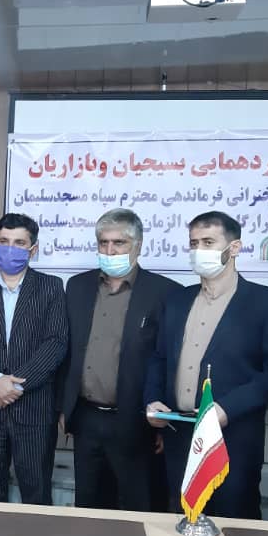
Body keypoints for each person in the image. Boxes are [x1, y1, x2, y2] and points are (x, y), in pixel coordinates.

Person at [145, 210, 268, 520]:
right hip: (180, 437)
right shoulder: (176, 300)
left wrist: (227, 409)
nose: (199, 250)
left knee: (234, 528)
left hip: (233, 440)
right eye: (194, 243)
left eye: (208, 242)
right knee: (183, 523)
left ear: (234, 248)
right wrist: (153, 399)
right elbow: (159, 358)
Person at [59, 209, 180, 511]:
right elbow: (67, 350)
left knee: (139, 506)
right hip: (86, 418)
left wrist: (162, 424)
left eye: (119, 243)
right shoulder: (77, 286)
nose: (110, 250)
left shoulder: (165, 293)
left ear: (138, 246)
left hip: (136, 420)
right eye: (103, 243)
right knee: (89, 505)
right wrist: (64, 407)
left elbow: (169, 361)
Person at [0, 213, 68, 505]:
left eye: (19, 243)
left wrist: (15, 385)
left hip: (33, 407)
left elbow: (56, 343)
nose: (10, 248)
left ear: (33, 249)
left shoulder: (51, 287)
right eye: (4, 241)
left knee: (37, 491)